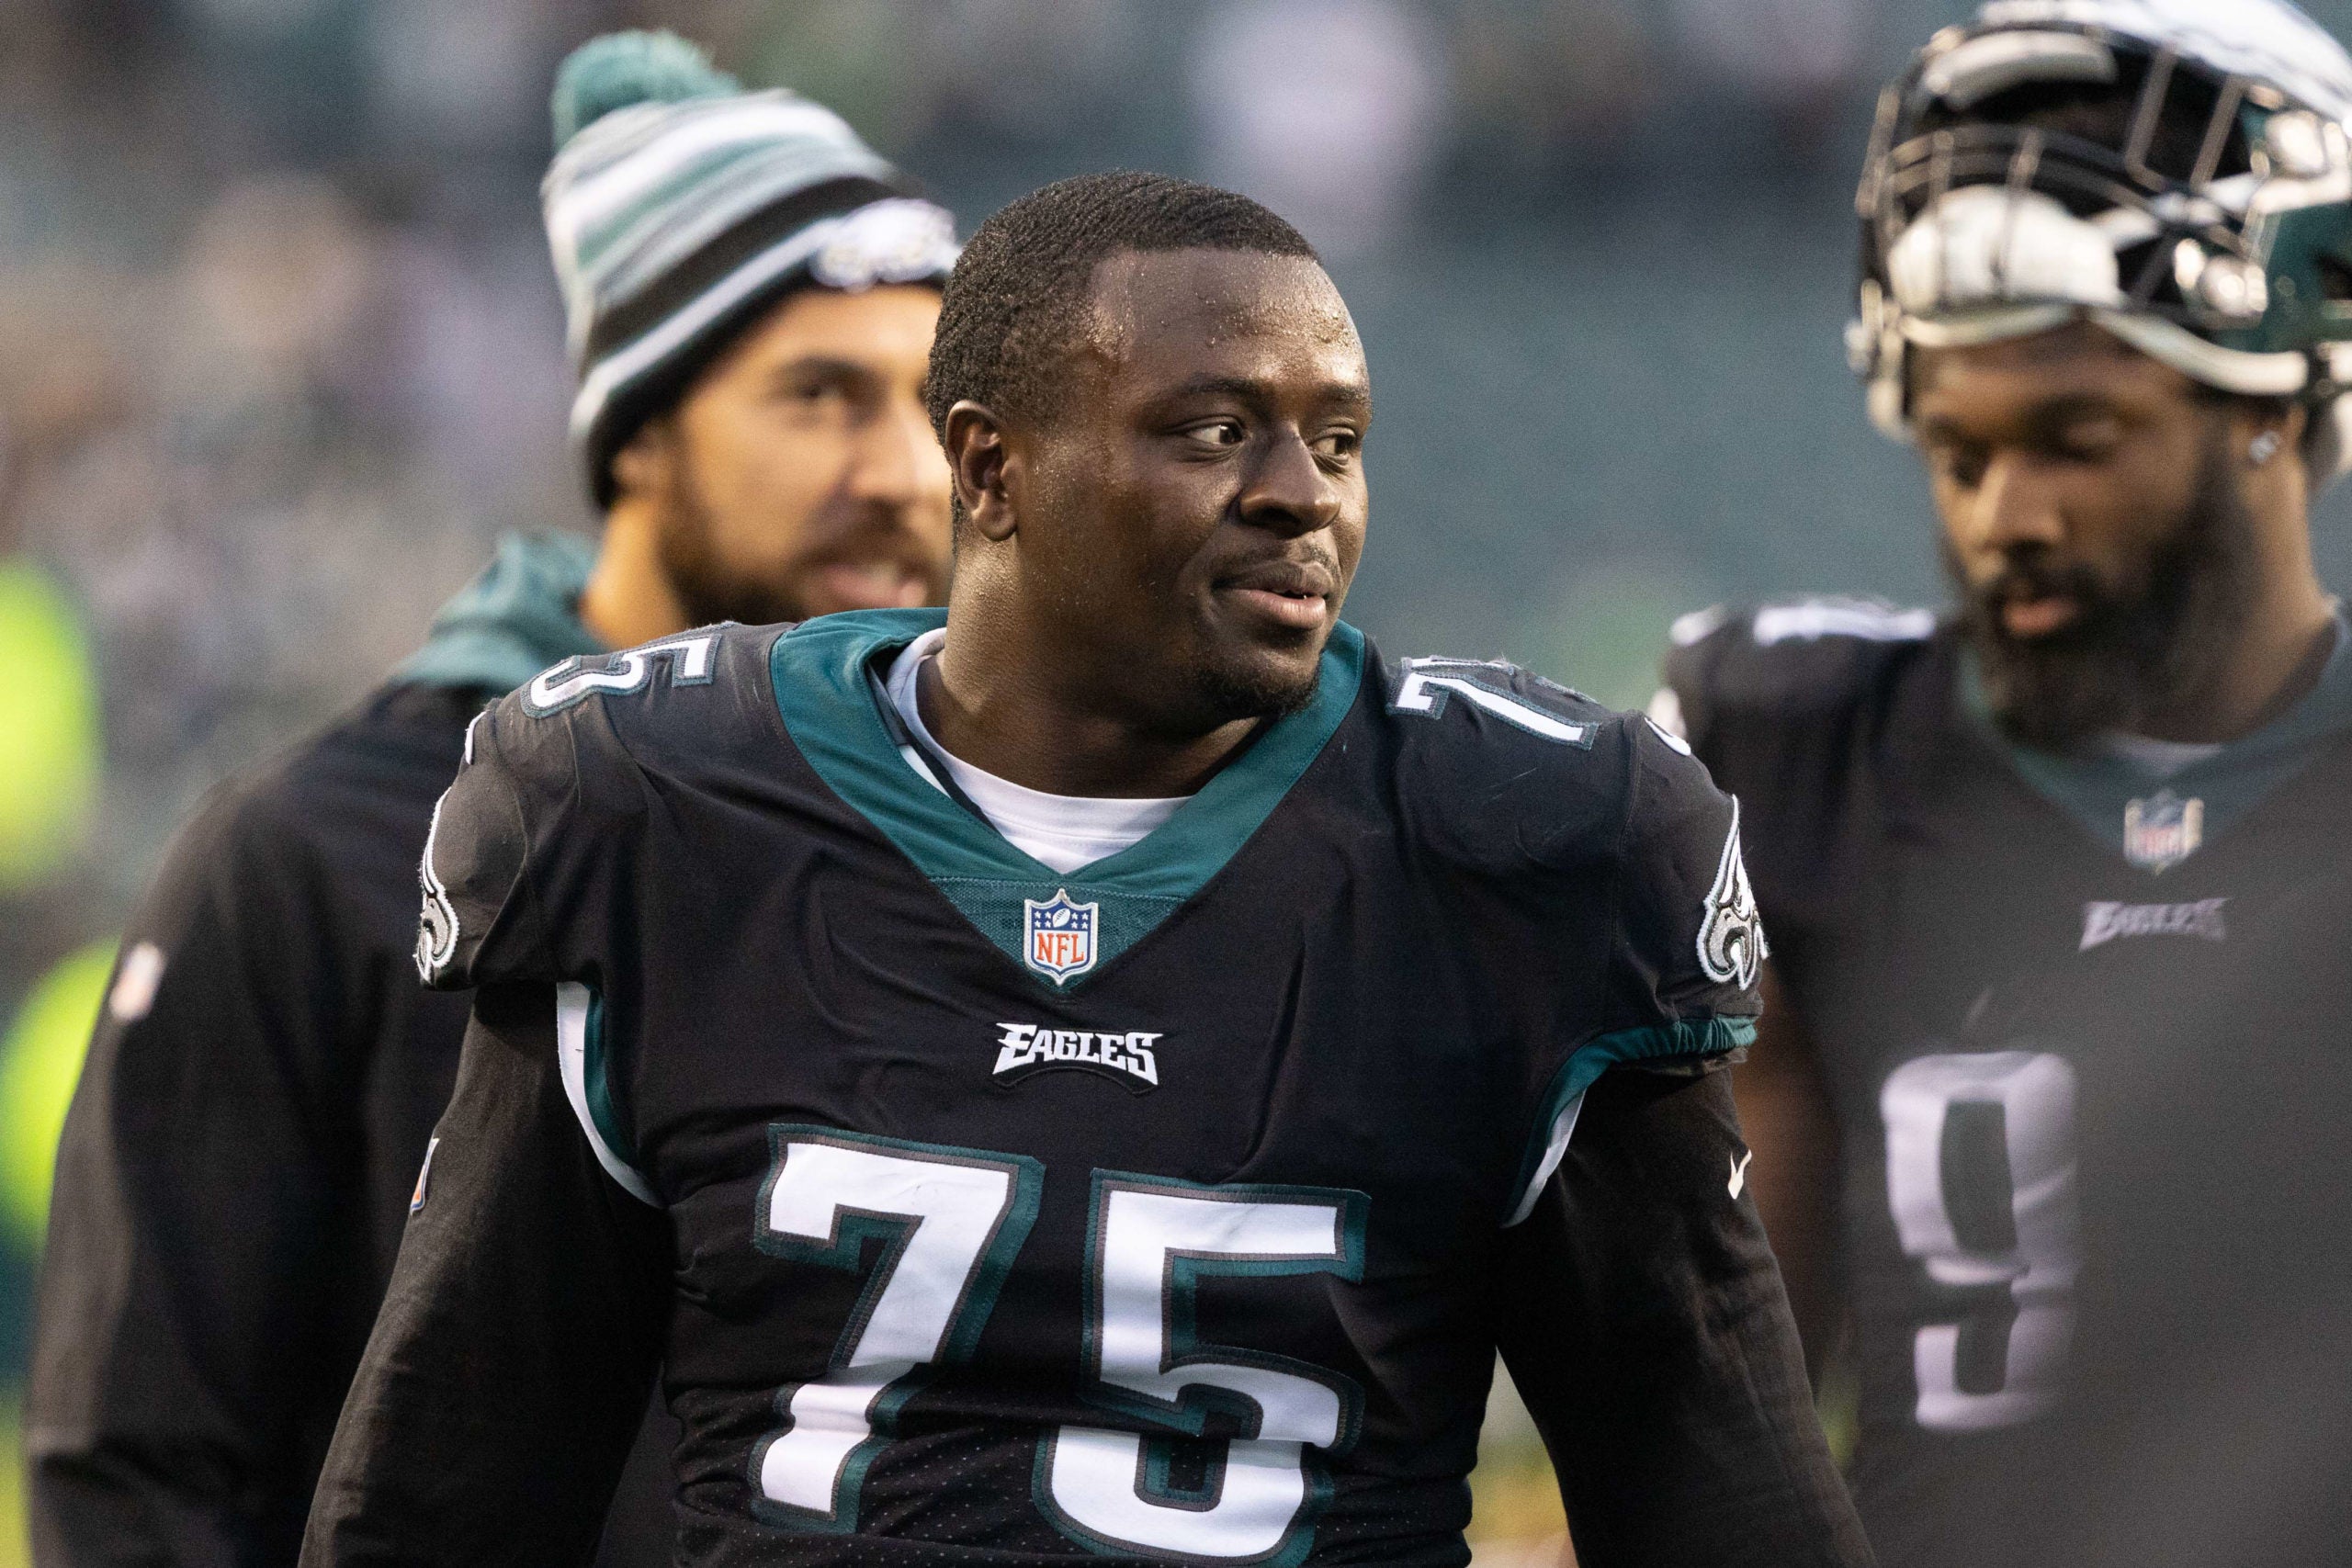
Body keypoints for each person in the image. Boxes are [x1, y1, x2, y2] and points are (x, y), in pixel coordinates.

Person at [298, 169, 1869, 1568]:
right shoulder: (665, 815)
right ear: (989, 470)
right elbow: (449, 1492)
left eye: (1338, 440)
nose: (1301, 492)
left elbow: (1719, 1502)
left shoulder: (1525, 848)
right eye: (1215, 431)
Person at [27, 33, 958, 1568]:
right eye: (819, 398)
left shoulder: (995, 853)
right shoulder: (319, 856)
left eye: (931, 407)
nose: (905, 474)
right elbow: (143, 1470)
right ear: (638, 432)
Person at [1657, 3, 2352, 1564]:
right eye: (1958, 451)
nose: (2004, 518)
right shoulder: (1800, 752)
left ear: (2277, 399)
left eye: (2077, 438)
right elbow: (1722, 1420)